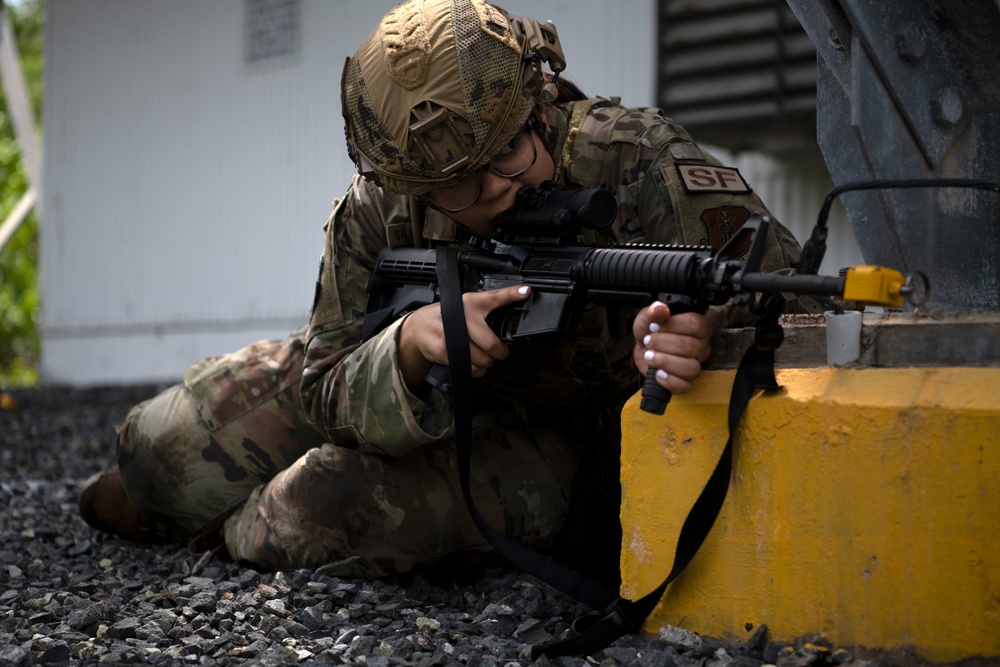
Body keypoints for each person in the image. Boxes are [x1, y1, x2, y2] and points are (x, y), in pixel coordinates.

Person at [78, 0, 813, 582]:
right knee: (155, 450)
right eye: (461, 185)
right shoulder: (378, 207)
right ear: (408, 182)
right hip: (418, 391)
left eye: (511, 153)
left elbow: (800, 307)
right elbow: (325, 379)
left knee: (321, 507)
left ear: (537, 102)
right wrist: (408, 346)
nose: (499, 188)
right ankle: (167, 499)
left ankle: (224, 530)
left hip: (565, 431)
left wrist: (706, 338)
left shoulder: (635, 160)